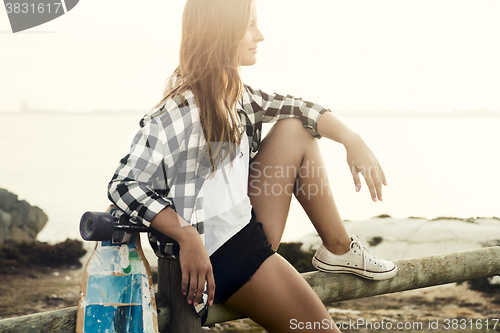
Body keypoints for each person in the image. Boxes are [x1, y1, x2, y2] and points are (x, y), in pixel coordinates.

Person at [108, 0, 397, 331]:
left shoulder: (236, 96)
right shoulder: (176, 111)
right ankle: (333, 249)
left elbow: (301, 109)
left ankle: (338, 248)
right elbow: (123, 185)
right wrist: (186, 236)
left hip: (247, 229)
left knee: (295, 126)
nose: (260, 36)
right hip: (220, 259)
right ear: (220, 32)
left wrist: (351, 138)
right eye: (250, 25)